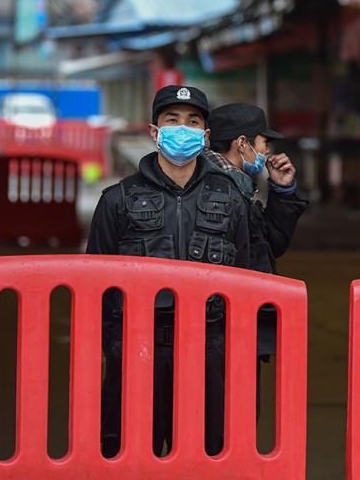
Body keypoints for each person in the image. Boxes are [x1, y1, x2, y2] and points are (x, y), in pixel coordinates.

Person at [87, 85, 250, 457]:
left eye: (193, 122)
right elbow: (96, 284)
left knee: (206, 454)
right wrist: (113, 348)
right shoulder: (118, 199)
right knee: (129, 453)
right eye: (172, 120)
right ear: (154, 131)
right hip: (137, 347)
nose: (182, 128)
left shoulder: (231, 200)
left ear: (205, 136)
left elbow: (244, 280)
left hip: (207, 350)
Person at [204, 102, 309, 416]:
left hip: (237, 330)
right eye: (264, 142)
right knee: (229, 422)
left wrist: (283, 190)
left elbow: (269, 245)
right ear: (242, 143)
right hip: (222, 333)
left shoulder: (239, 188)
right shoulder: (214, 191)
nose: (268, 151)